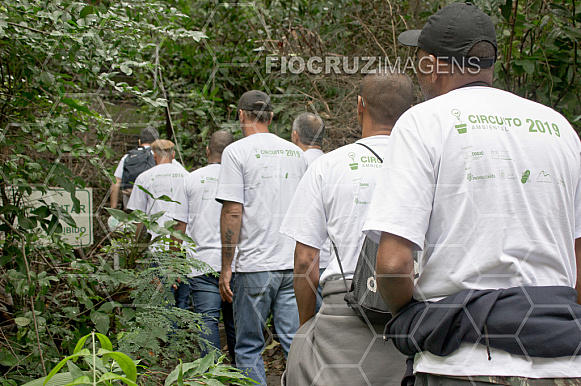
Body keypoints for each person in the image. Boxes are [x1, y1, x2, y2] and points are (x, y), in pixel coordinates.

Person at [363, 3, 581, 385]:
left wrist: (414, 318)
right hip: (562, 362)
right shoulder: (559, 128)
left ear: (431, 65)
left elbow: (393, 265)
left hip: (462, 364)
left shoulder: (423, 121)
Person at [279, 68, 413, 385]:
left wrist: (306, 327)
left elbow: (304, 261)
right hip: (412, 311)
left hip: (344, 311)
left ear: (359, 106)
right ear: (410, 111)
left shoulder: (328, 166)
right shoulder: (429, 165)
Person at [215, 90, 307, 385]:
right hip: (292, 264)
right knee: (295, 343)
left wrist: (226, 266)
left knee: (249, 346)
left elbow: (232, 212)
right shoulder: (297, 154)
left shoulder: (236, 152)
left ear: (241, 115)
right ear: (271, 116)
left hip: (254, 266)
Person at [178, 130, 237, 363]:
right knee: (235, 324)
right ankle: (241, 372)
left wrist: (175, 263)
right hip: (234, 264)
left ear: (207, 151)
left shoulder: (191, 178)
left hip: (201, 264)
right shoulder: (239, 178)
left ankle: (212, 373)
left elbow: (179, 226)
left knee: (207, 322)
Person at [291, 112, 329, 308]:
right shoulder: (333, 163)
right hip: (331, 261)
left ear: (295, 136)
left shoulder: (296, 163)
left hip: (305, 259)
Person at [126, 139, 188, 253]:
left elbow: (138, 217)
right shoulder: (188, 177)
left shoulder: (144, 178)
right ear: (173, 154)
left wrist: (134, 247)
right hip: (183, 244)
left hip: (156, 244)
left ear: (154, 155)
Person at [111, 127, 185, 210]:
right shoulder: (161, 156)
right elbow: (184, 177)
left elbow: (116, 182)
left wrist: (113, 208)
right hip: (156, 207)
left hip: (132, 208)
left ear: (139, 141)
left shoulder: (127, 157)